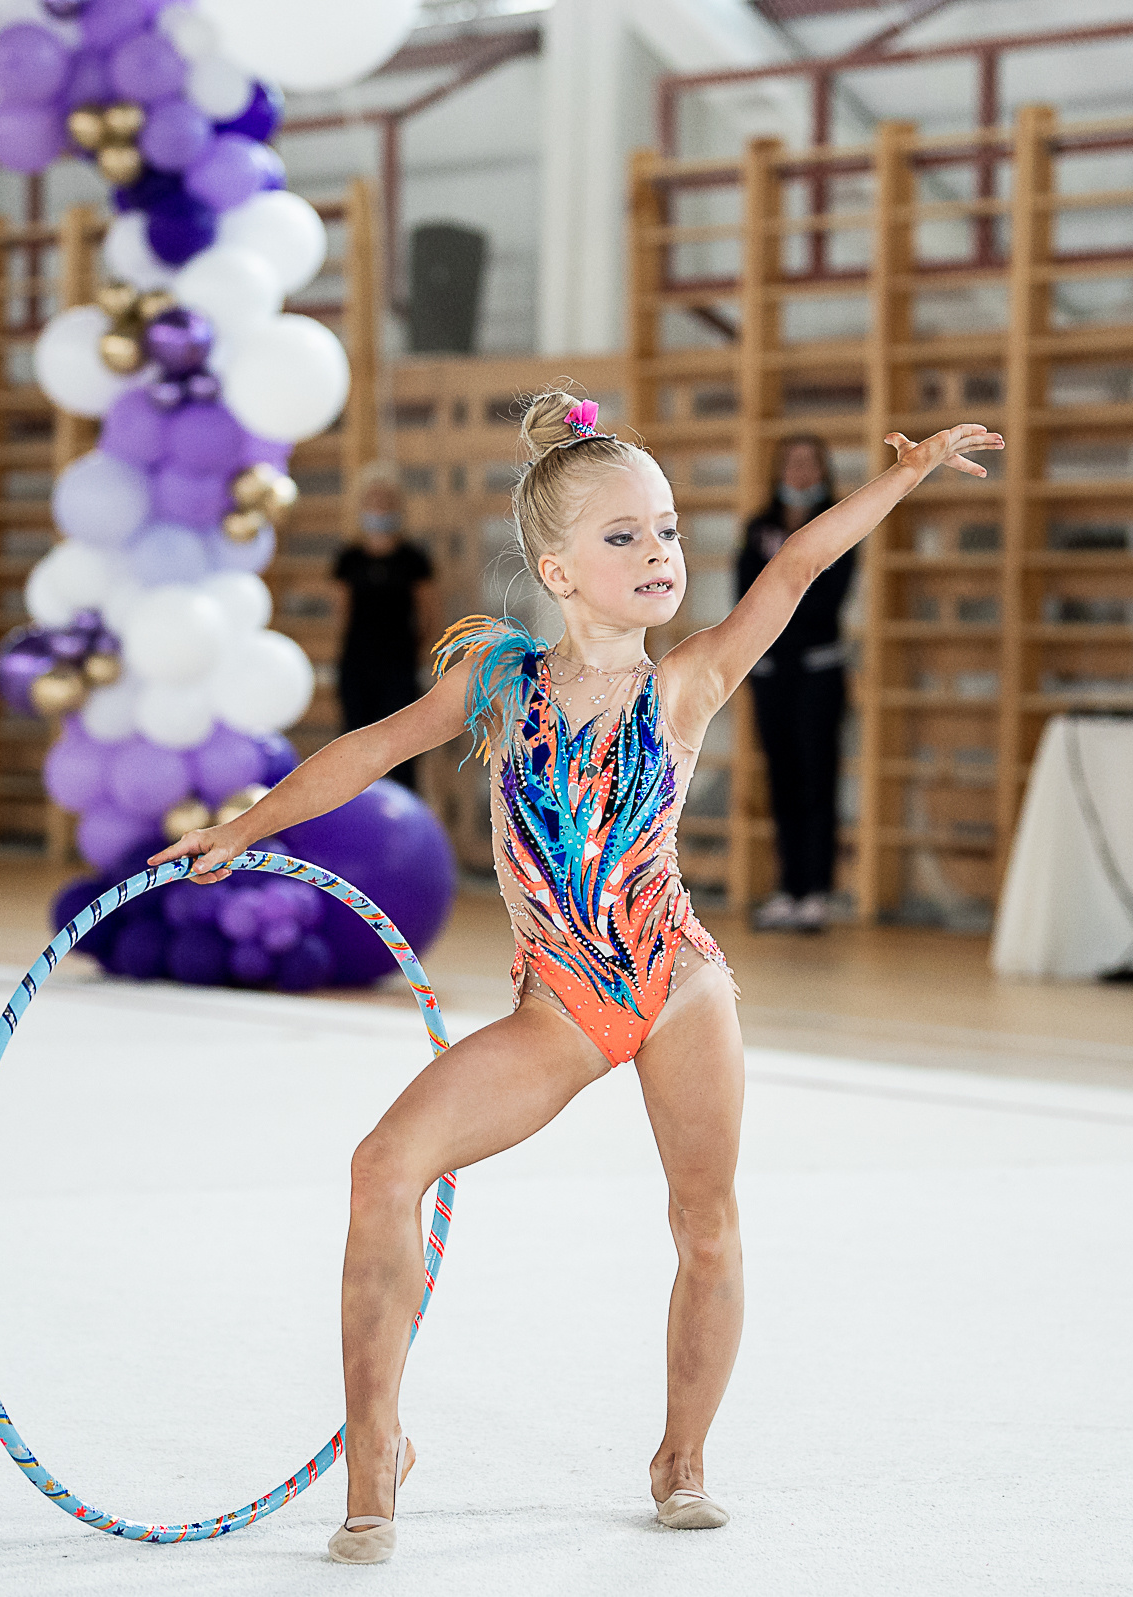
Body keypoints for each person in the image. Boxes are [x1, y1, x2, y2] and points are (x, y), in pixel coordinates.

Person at [153, 390, 1001, 1563]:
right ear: (555, 569)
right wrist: (246, 827)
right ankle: (378, 1445)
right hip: (559, 1006)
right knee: (382, 1165)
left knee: (706, 1224)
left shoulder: (688, 682)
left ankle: (682, 1456)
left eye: (666, 531)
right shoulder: (498, 687)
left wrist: (901, 475)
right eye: (624, 537)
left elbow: (798, 568)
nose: (659, 553)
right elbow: (368, 749)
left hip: (674, 987)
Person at [736, 434, 853, 933]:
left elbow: (829, 597)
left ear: (823, 470)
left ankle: (816, 893)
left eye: (810, 463)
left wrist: (787, 617)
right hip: (770, 673)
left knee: (817, 778)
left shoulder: (836, 524)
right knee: (780, 779)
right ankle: (788, 887)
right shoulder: (758, 526)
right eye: (793, 462)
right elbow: (747, 594)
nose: (801, 471)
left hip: (819, 670)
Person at [332, 461, 439, 789]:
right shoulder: (348, 558)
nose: (379, 505)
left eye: (386, 498)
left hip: (399, 667)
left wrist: (415, 657)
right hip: (357, 666)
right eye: (372, 498)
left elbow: (430, 617)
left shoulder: (414, 559)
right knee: (354, 746)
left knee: (402, 751)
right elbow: (342, 616)